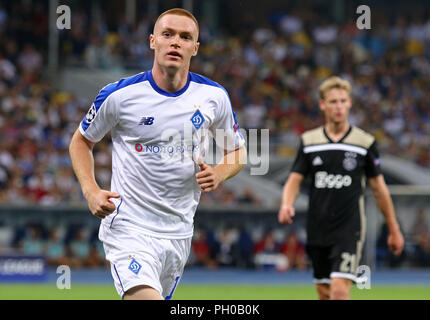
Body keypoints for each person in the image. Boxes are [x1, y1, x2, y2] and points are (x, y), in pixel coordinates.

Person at [69, 8, 246, 300]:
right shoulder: (119, 96)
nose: (175, 42)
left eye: (185, 37)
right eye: (168, 34)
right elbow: (81, 141)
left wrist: (219, 172)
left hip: (178, 233)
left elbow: (237, 151)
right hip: (129, 227)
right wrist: (91, 191)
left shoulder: (214, 97)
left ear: (195, 48)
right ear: (153, 41)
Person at [278, 76, 404, 300]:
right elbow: (294, 179)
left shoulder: (364, 143)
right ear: (322, 104)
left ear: (350, 103)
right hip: (317, 227)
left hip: (349, 227)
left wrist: (393, 229)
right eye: (333, 101)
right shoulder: (309, 141)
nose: (338, 106)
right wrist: (286, 204)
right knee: (324, 292)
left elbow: (379, 188)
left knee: (338, 290)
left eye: (342, 101)